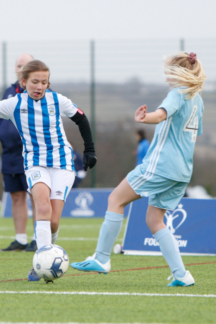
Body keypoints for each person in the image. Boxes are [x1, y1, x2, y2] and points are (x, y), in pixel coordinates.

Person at [71, 52, 206, 287]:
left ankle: (102, 259)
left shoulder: (177, 94)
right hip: (183, 171)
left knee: (115, 199)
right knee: (155, 220)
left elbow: (162, 114)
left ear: (177, 74)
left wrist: (145, 118)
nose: (166, 79)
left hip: (162, 166)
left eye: (168, 74)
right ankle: (182, 275)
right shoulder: (198, 100)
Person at [0, 59, 97, 281]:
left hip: (62, 163)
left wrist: (89, 151)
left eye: (44, 82)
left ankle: (45, 256)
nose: (39, 86)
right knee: (42, 208)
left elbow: (81, 119)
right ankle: (41, 263)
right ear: (23, 82)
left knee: (54, 221)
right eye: (35, 81)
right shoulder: (14, 103)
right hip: (35, 163)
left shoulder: (58, 100)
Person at [0, 53, 37, 252]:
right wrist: (0, 134)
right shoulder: (9, 91)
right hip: (10, 155)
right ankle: (20, 239)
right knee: (16, 196)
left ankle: (39, 238)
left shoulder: (39, 90)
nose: (21, 68)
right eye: (19, 65)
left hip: (32, 154)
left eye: (25, 65)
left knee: (36, 195)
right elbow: (2, 117)